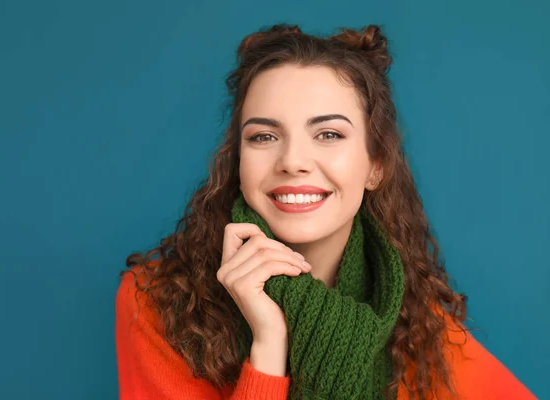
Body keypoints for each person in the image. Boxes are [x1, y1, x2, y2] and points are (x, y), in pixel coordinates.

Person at [115, 24, 536, 399]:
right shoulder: (156, 302)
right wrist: (268, 345)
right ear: (237, 163)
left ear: (376, 166)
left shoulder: (414, 322)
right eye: (263, 136)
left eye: (329, 133)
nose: (293, 161)